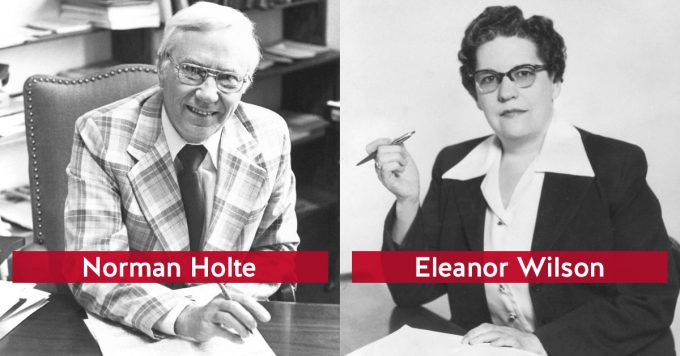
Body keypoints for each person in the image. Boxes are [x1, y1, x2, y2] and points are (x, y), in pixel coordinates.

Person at [368, 5, 678, 355]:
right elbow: (411, 292)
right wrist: (408, 201)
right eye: (489, 78)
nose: (506, 92)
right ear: (477, 94)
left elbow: (650, 300)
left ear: (556, 81)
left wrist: (540, 343)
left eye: (524, 73)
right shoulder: (456, 168)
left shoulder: (615, 166)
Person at [64, 2, 299, 341]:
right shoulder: (101, 134)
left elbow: (278, 250)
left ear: (246, 84)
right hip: (136, 330)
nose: (207, 94)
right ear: (161, 66)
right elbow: (94, 268)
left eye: (228, 79)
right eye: (192, 70)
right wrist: (185, 316)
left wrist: (227, 301)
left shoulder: (269, 134)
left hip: (229, 332)